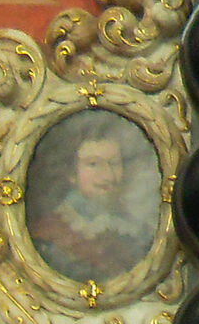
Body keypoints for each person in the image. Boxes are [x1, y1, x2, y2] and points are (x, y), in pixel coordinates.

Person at [28, 116, 157, 285]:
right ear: (72, 173)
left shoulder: (135, 232)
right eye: (93, 164)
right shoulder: (48, 234)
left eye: (113, 163)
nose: (107, 175)